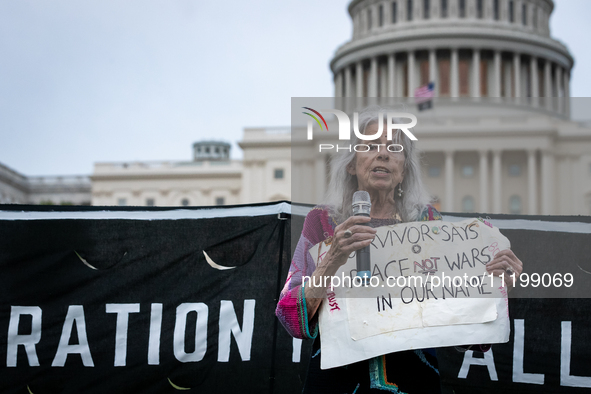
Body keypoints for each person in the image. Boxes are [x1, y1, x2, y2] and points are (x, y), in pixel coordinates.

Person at [276, 108, 524, 393]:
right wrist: (330, 261)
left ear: (404, 168)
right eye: (370, 146)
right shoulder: (321, 222)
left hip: (415, 382)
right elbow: (289, 316)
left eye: (395, 148)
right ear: (350, 164)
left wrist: (494, 287)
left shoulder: (430, 224)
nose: (383, 154)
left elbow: (464, 330)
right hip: (338, 385)